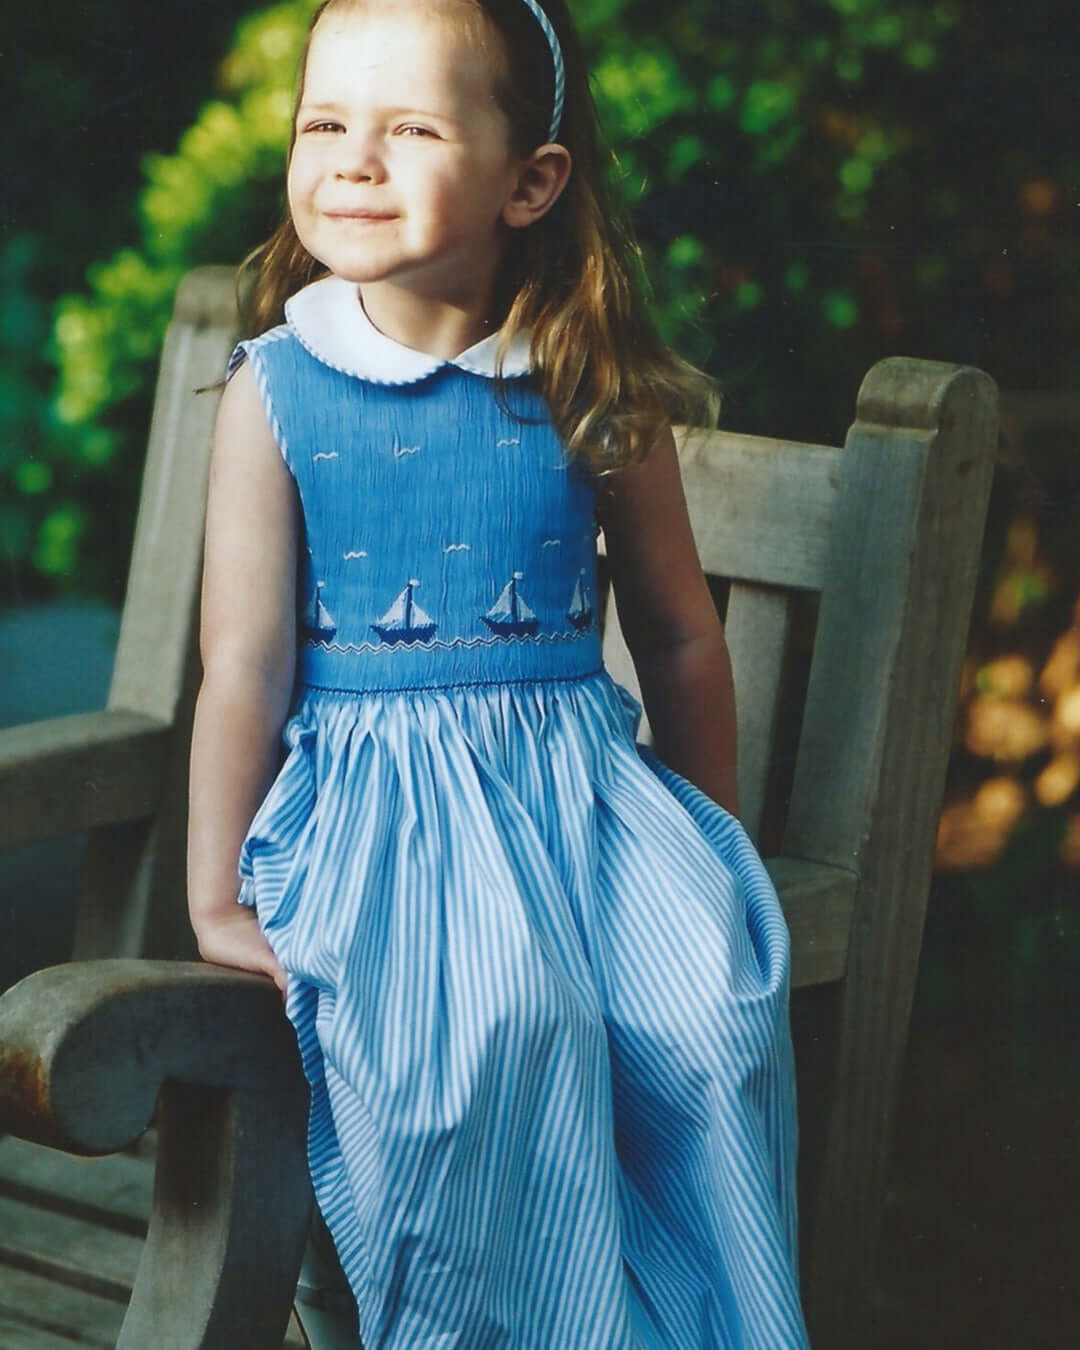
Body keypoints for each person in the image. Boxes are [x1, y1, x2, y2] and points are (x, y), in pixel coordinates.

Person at [187, 0, 809, 1344]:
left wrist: (706, 837)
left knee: (707, 1005)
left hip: (582, 803)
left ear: (530, 180)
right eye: (325, 125)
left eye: (410, 128)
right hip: (386, 820)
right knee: (493, 1026)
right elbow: (239, 663)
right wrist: (213, 895)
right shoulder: (281, 386)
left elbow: (681, 634)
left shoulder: (586, 378)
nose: (353, 160)